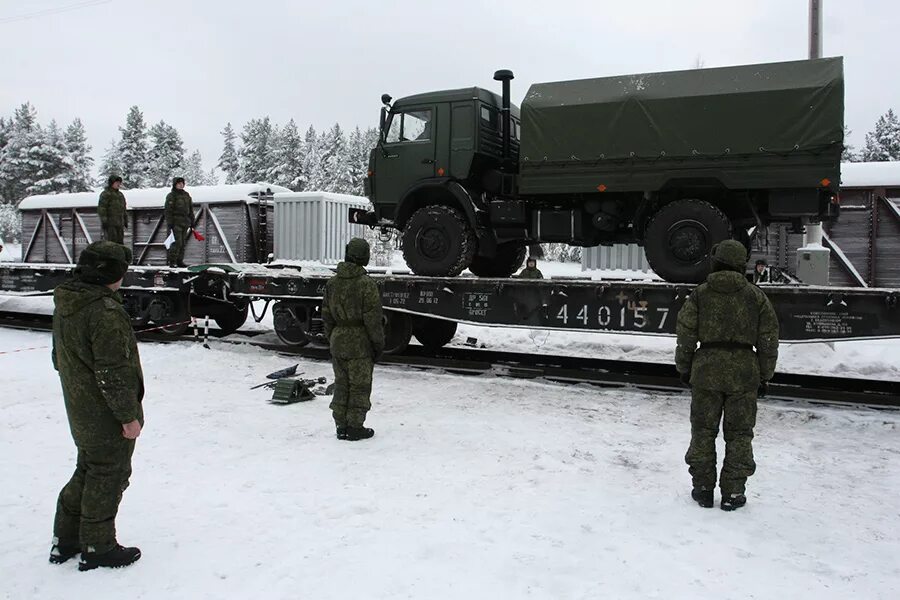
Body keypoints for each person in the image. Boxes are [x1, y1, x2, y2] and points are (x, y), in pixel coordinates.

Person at [50, 241, 144, 570]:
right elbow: (113, 373)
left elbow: (58, 359)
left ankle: (66, 538)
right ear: (110, 273)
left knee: (89, 468)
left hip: (80, 406)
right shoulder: (104, 311)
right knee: (109, 473)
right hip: (105, 412)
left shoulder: (68, 301)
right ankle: (97, 545)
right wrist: (128, 416)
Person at [675, 240, 779, 511]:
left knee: (703, 431)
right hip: (744, 373)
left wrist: (684, 368)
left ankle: (703, 489)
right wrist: (765, 375)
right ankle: (733, 493)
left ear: (717, 261)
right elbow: (768, 339)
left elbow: (685, 335)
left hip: (706, 371)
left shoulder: (700, 294)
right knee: (740, 434)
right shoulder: (756, 297)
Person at [321, 238, 385, 441]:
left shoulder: (332, 283)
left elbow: (326, 316)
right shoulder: (366, 284)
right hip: (360, 343)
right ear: (364, 257)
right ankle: (355, 426)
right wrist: (378, 345)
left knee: (341, 383)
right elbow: (373, 321)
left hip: (338, 340)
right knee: (360, 386)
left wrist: (332, 337)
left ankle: (341, 425)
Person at [164, 177, 194, 267]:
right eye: (179, 183)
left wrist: (192, 220)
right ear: (175, 184)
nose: (181, 185)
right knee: (176, 242)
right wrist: (170, 223)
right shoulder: (171, 196)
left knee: (183, 243)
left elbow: (190, 209)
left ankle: (180, 261)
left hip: (185, 222)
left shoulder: (186, 195)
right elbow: (168, 210)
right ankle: (172, 261)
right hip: (176, 222)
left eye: (182, 183)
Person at [97, 175, 127, 244]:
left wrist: (125, 220)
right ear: (111, 183)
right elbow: (102, 208)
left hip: (120, 224)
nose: (118, 184)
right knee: (111, 243)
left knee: (120, 243)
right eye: (116, 182)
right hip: (110, 224)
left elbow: (124, 208)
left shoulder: (120, 195)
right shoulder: (106, 194)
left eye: (119, 182)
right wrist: (104, 221)